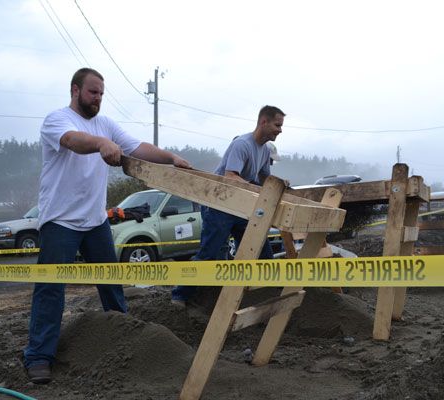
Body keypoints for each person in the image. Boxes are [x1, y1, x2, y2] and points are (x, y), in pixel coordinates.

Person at [24, 67, 191, 384]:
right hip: (60, 220)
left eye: (101, 93)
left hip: (95, 220)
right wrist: (101, 143)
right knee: (50, 289)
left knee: (111, 281)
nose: (98, 98)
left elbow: (137, 147)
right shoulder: (57, 120)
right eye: (92, 92)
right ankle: (38, 356)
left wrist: (170, 157)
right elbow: (73, 141)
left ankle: (124, 336)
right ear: (75, 90)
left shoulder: (106, 124)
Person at [171, 105, 285, 306]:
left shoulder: (265, 150)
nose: (280, 130)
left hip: (241, 207)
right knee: (209, 254)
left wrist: (280, 185)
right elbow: (231, 176)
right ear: (263, 122)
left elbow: (265, 177)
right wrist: (257, 190)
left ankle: (269, 296)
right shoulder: (242, 144)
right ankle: (180, 295)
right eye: (277, 125)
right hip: (219, 205)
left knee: (261, 250)